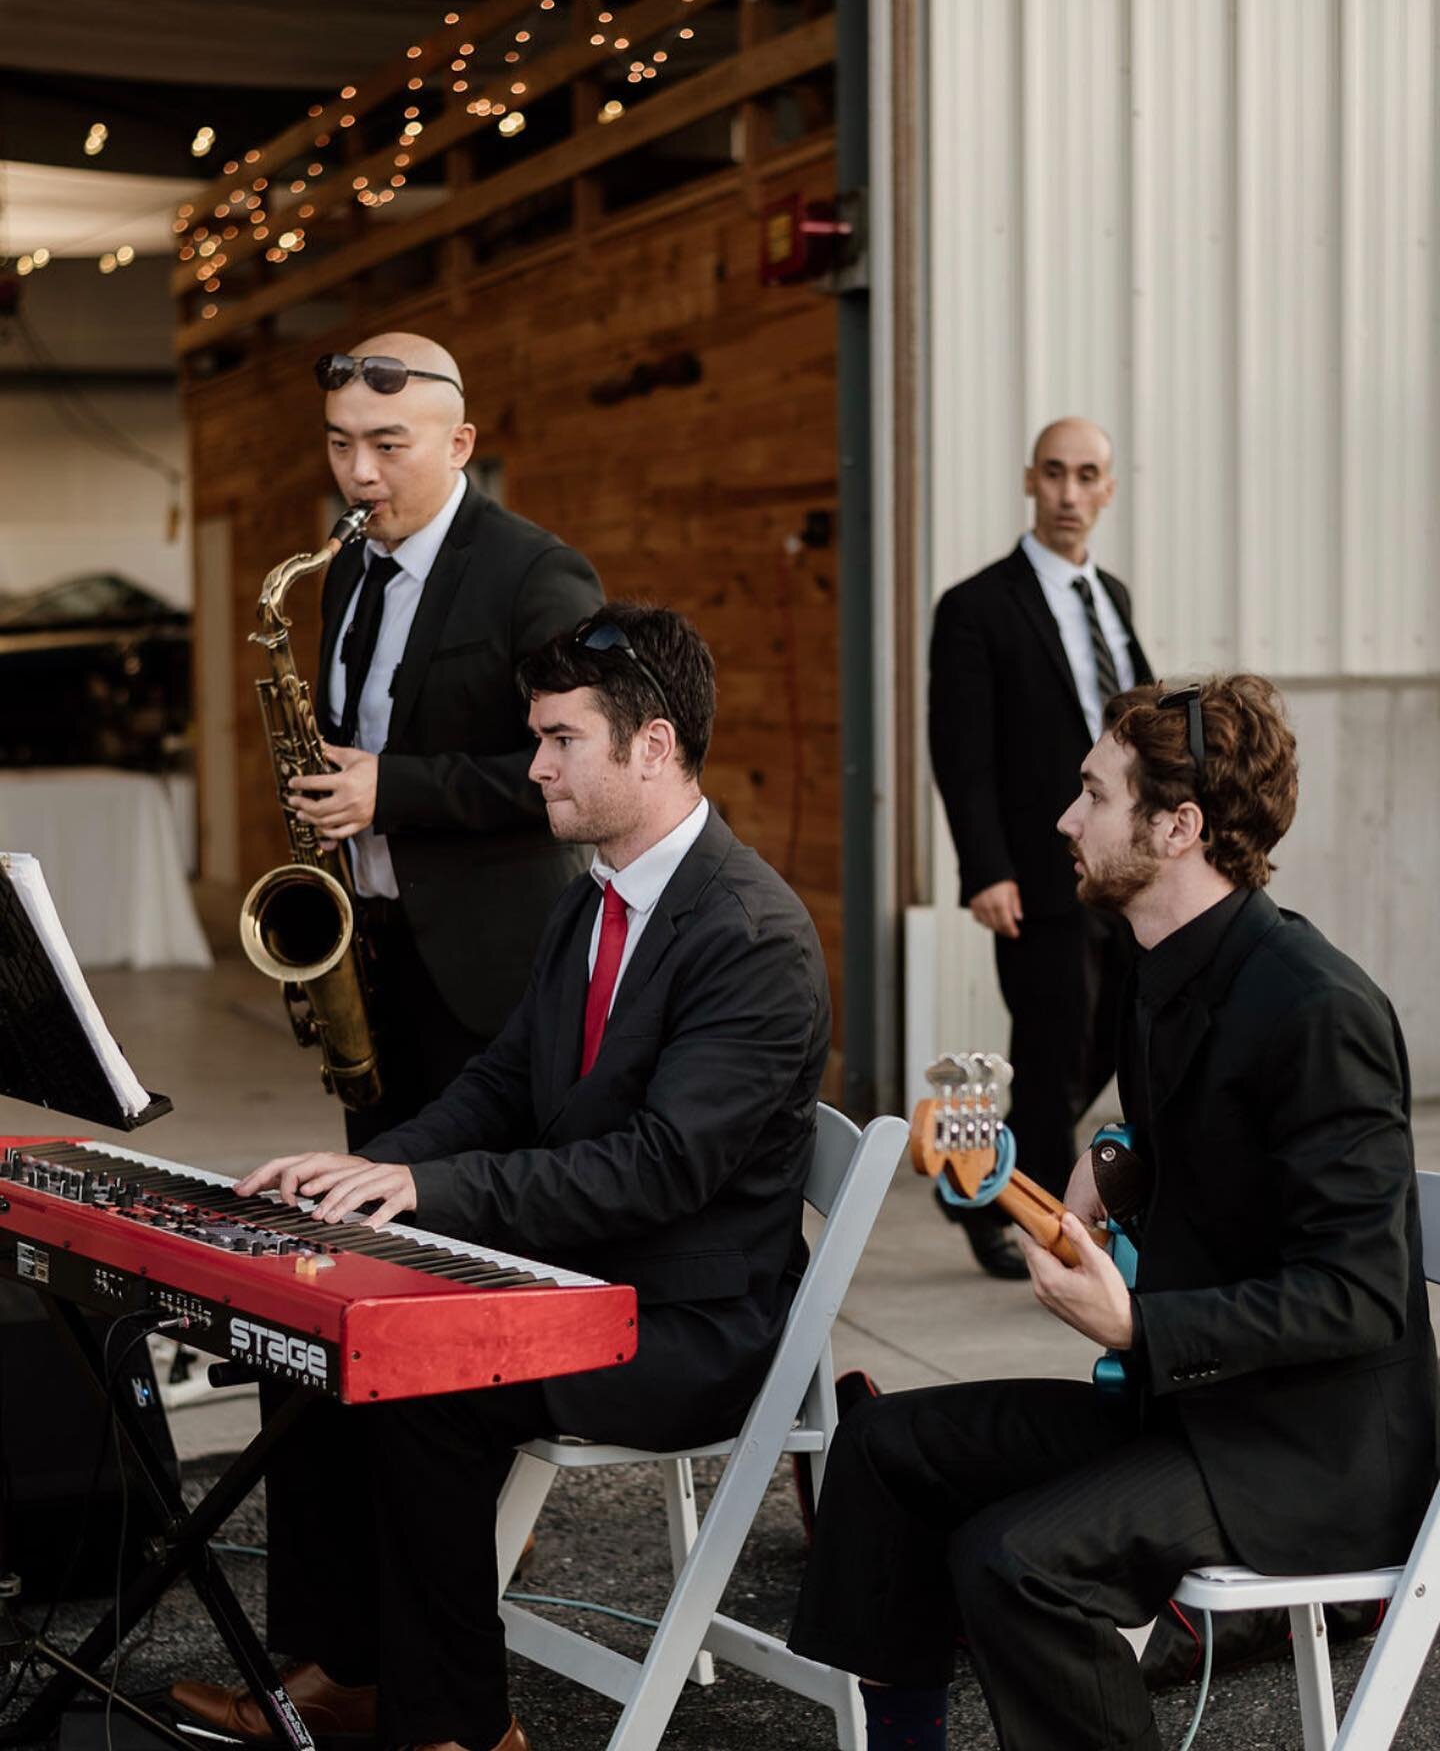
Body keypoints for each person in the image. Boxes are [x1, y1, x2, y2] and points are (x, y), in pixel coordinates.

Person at [172, 603, 831, 1751]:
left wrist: (430, 1197)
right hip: (594, 1278)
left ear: (655, 747)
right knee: (320, 1325)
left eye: (561, 739)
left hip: (689, 1322)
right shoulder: (591, 896)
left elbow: (655, 1173)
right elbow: (502, 1083)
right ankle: (353, 1674)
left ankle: (465, 1731)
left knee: (423, 1385)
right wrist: (363, 1172)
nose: (534, 765)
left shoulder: (751, 936)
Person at [791, 673, 1438, 1751]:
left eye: (1093, 793)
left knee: (1016, 1560)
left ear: (1178, 827)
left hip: (1315, 1456)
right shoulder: (1157, 968)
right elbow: (1224, 1162)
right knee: (885, 1447)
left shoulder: (1318, 1009)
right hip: (1199, 1413)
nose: (1063, 818)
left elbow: (1362, 1294)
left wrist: (1140, 1326)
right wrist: (1116, 1166)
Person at [290, 330, 603, 1148]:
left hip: (493, 975)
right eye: (339, 443)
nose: (359, 473)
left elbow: (583, 768)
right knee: (373, 1207)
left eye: (388, 446)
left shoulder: (536, 573)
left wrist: (390, 791)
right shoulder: (350, 565)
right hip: (369, 957)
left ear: (460, 443)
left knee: (487, 1229)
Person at [928, 418, 1152, 1278]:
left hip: (1120, 868)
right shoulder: (977, 607)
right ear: (1031, 481)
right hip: (1034, 867)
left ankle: (971, 1175)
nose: (1068, 493)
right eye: (1053, 474)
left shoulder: (1114, 599)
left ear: (1107, 489)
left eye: (1086, 475)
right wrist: (984, 868)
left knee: (1116, 1040)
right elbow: (962, 753)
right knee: (1056, 1042)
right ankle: (1051, 1227)